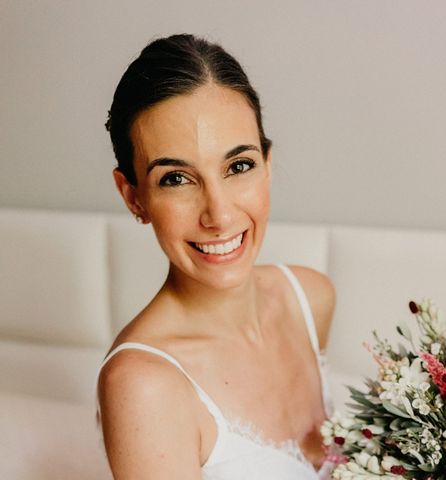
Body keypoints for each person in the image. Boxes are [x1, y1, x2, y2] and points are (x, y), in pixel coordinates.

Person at [97, 34, 336, 480]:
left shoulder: (311, 298)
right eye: (176, 179)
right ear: (133, 197)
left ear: (266, 163)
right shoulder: (142, 385)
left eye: (239, 166)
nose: (220, 216)